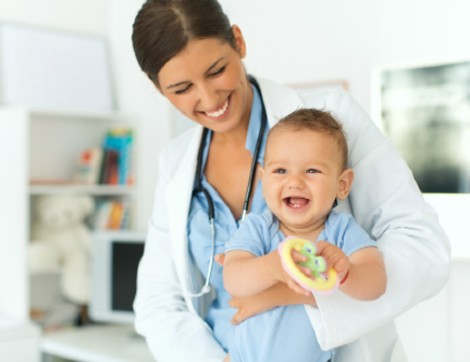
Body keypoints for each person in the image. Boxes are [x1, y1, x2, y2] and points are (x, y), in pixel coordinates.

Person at [131, 1, 450, 361]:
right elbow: (158, 299)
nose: (208, 98)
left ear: (238, 41)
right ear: (157, 87)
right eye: (182, 88)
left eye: (217, 70)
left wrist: (301, 293)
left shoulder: (333, 117)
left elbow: (424, 247)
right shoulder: (175, 163)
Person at [223, 108, 387, 362]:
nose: (295, 182)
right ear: (262, 180)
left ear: (342, 185)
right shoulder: (259, 228)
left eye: (312, 171)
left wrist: (347, 273)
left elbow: (376, 284)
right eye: (280, 171)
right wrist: (271, 266)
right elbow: (233, 279)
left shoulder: (341, 231)